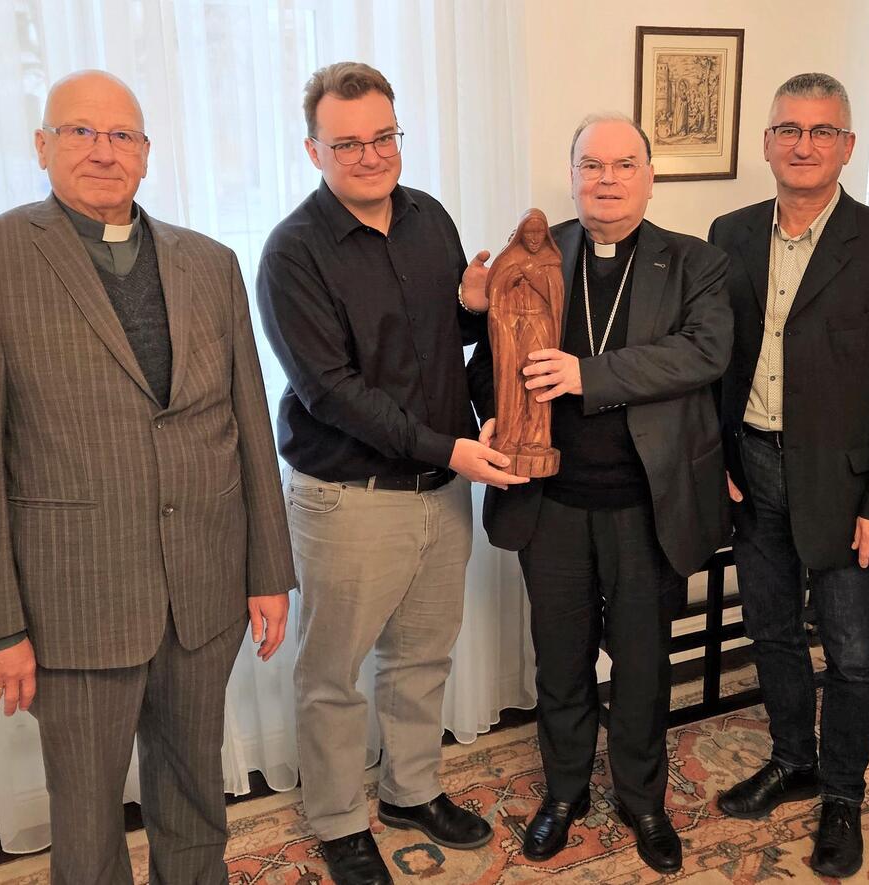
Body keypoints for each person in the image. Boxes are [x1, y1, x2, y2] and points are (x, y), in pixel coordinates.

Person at [0, 70, 293, 884]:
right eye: (80, 131)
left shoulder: (210, 262)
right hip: (72, 599)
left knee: (195, 793)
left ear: (147, 155)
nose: (102, 150)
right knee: (85, 821)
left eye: (122, 135)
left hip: (204, 588)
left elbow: (249, 426)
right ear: (42, 146)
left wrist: (268, 572)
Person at [255, 62, 522, 885]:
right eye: (349, 143)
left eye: (384, 137)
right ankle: (338, 819)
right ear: (313, 149)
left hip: (442, 491)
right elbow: (331, 392)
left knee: (422, 657)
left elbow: (444, 350)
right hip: (349, 498)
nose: (371, 155)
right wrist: (451, 450)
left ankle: (410, 789)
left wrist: (475, 311)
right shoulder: (292, 253)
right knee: (333, 673)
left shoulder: (431, 220)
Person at [470, 112, 732, 876]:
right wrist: (486, 420)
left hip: (645, 504)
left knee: (645, 663)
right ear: (573, 173)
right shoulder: (534, 253)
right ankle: (563, 791)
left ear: (650, 176)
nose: (607, 179)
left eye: (624, 164)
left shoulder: (694, 263)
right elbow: (484, 358)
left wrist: (589, 376)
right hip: (551, 503)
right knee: (561, 658)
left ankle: (643, 797)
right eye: (592, 165)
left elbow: (704, 352)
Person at [708, 72, 869, 878]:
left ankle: (841, 792)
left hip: (846, 488)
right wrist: (718, 460)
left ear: (847, 145)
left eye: (822, 131)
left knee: (850, 655)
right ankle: (791, 760)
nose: (803, 145)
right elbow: (715, 363)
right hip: (752, 468)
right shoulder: (727, 233)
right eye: (789, 129)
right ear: (767, 142)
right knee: (769, 631)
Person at [486, 209, 563, 468]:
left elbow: (555, 299)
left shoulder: (551, 260)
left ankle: (536, 439)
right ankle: (510, 436)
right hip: (511, 326)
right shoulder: (510, 259)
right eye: (528, 233)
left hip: (540, 325)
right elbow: (495, 294)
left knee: (537, 381)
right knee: (510, 381)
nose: (533, 238)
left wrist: (534, 276)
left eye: (539, 233)